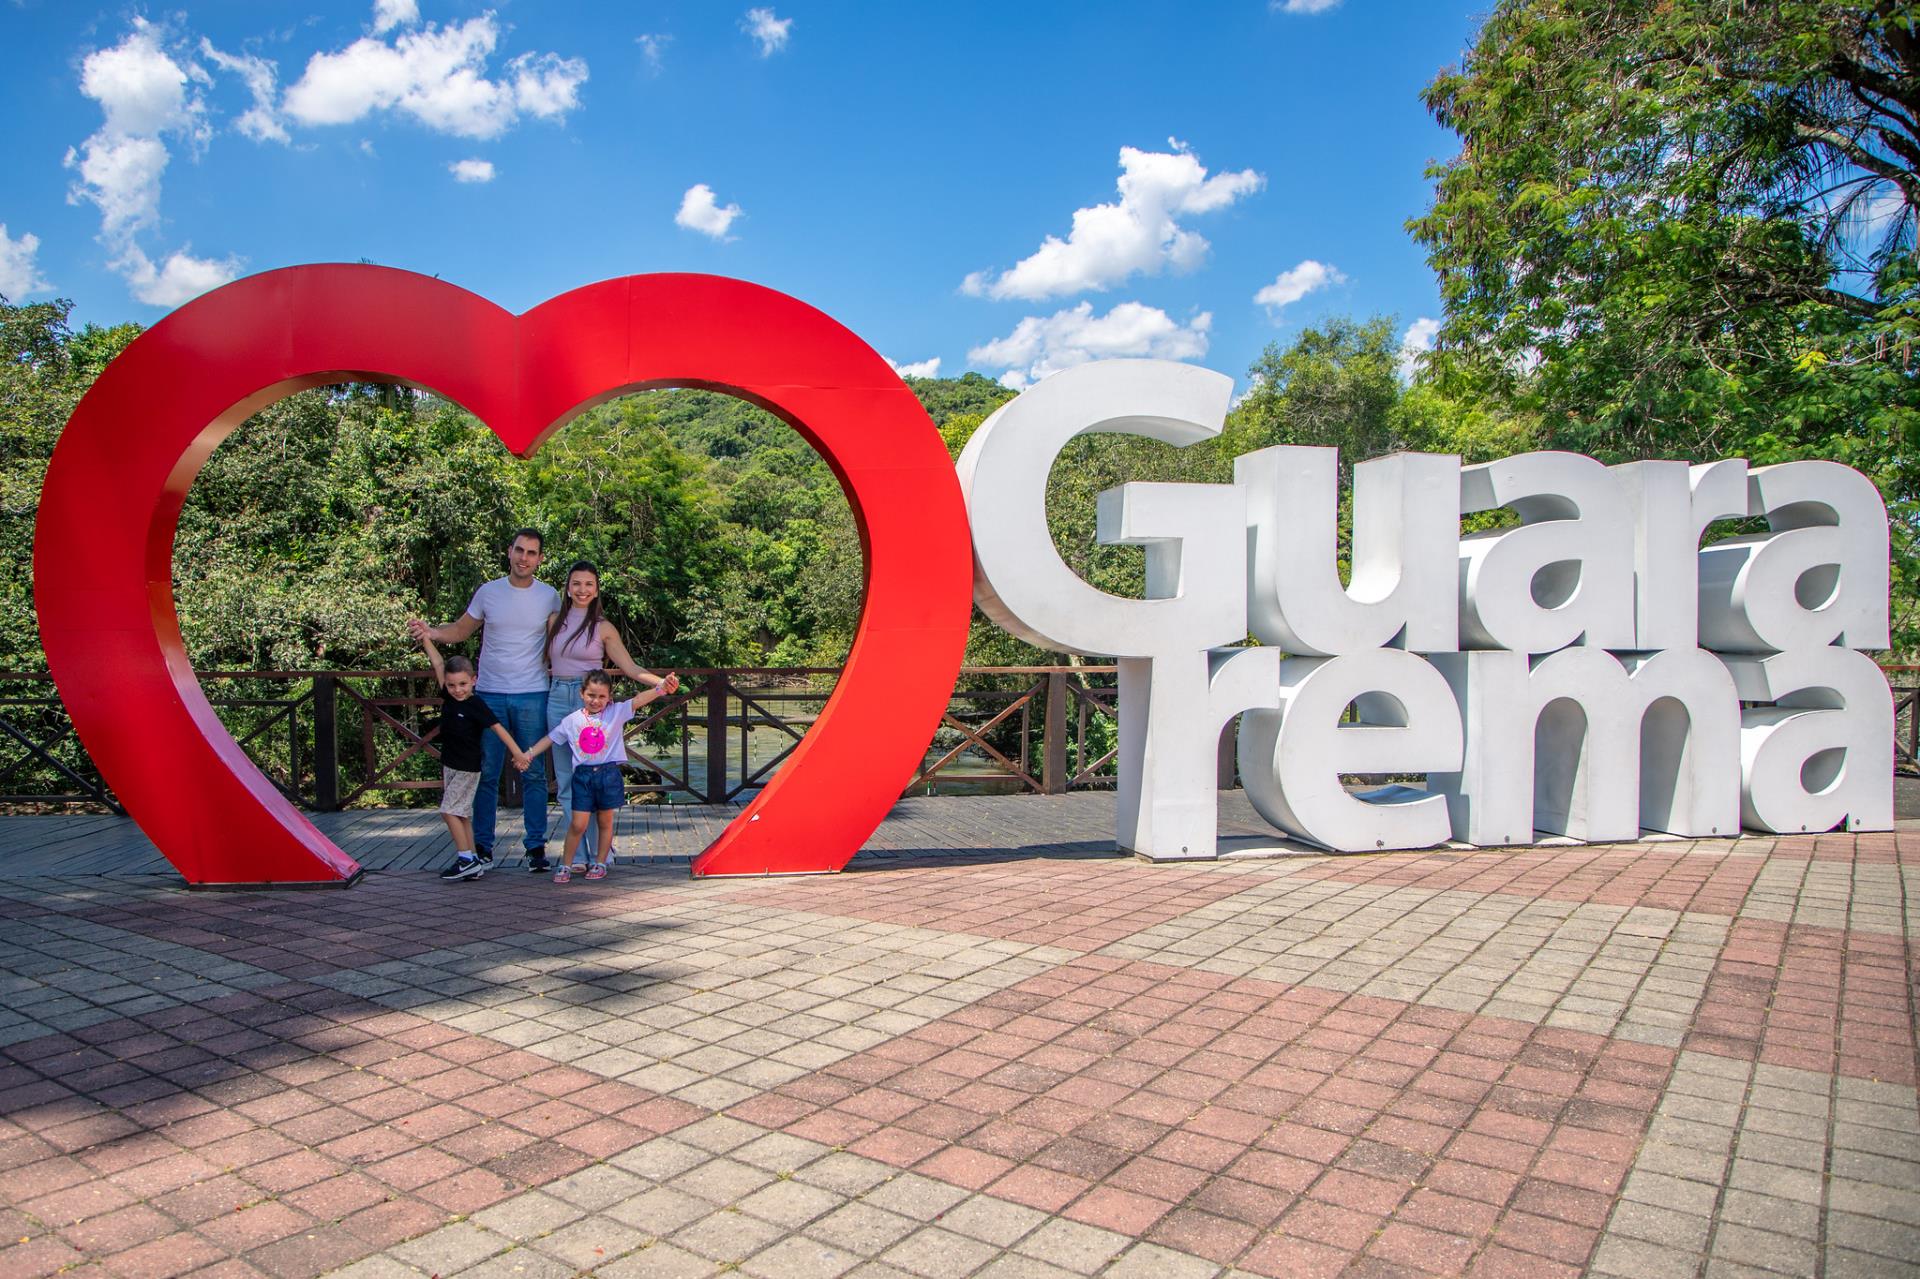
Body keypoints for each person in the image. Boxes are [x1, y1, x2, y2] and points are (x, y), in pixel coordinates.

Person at [407, 529, 560, 874]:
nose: (524, 558)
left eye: (531, 553)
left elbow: (562, 640)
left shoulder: (550, 596)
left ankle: (536, 848)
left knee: (534, 772)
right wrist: (431, 633)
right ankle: (482, 849)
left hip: (532, 692)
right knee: (486, 772)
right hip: (488, 692)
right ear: (509, 551)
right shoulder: (489, 592)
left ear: (540, 559)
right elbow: (461, 630)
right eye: (519, 550)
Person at [544, 560, 680, 866]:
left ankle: (600, 852)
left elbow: (629, 667)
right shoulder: (553, 621)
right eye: (576, 583)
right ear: (567, 588)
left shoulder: (602, 627)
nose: (582, 590)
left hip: (592, 702)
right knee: (566, 781)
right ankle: (577, 855)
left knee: (592, 778)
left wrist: (661, 684)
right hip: (557, 697)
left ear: (596, 590)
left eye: (588, 584)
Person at [520, 670, 675, 882]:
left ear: (609, 697)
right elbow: (550, 738)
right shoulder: (572, 720)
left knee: (605, 821)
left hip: (608, 774)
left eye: (602, 696)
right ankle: (566, 864)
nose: (596, 701)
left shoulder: (615, 712)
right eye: (591, 695)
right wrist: (528, 754)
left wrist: (660, 688)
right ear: (582, 694)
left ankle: (600, 862)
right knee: (578, 824)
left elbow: (638, 700)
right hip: (583, 777)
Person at [420, 636, 531, 881]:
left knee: (448, 811)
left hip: (467, 767)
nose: (457, 690)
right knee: (460, 813)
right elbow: (438, 663)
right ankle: (473, 859)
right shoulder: (449, 697)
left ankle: (465, 860)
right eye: (452, 685)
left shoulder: (475, 704)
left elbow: (499, 728)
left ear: (474, 680)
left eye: (463, 684)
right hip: (450, 765)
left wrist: (518, 753)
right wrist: (426, 638)